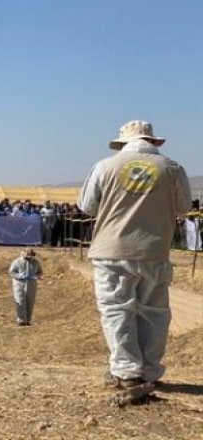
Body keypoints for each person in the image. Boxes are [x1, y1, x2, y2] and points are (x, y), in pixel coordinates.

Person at [78, 120, 191, 389]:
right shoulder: (173, 168)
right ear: (152, 141)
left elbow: (87, 206)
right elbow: (185, 206)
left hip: (112, 249)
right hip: (154, 249)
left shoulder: (104, 166)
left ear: (123, 143)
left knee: (117, 309)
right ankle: (150, 371)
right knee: (154, 311)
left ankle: (126, 371)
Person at [8, 249, 43, 326]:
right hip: (19, 283)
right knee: (20, 300)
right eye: (28, 255)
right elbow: (11, 272)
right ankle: (21, 320)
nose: (29, 257)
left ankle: (28, 320)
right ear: (23, 254)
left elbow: (40, 272)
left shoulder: (35, 262)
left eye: (31, 256)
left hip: (31, 284)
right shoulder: (17, 262)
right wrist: (19, 276)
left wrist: (35, 276)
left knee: (30, 301)